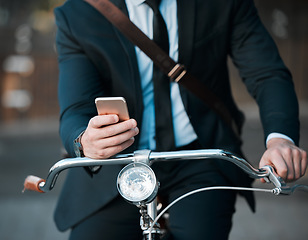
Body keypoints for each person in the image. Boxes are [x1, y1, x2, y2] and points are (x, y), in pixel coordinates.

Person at [53, 0, 307, 239]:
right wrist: (85, 140)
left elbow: (267, 74)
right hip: (117, 163)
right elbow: (75, 107)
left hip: (201, 156)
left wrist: (279, 140)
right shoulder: (78, 14)